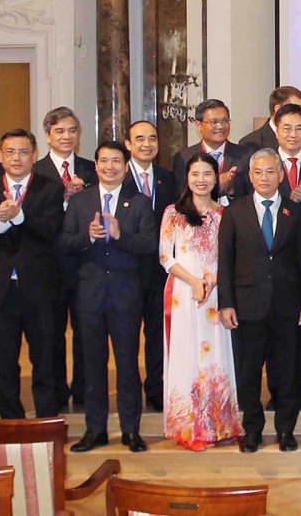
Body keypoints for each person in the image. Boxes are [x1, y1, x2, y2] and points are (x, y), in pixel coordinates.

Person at [218, 149, 301, 453]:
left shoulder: (295, 211)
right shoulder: (235, 212)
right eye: (258, 172)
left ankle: (286, 430)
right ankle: (252, 430)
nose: (264, 178)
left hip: (287, 305)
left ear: (281, 174)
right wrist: (226, 303)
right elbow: (225, 260)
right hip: (247, 305)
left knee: (286, 372)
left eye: (271, 171)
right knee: (248, 372)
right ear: (250, 175)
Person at [61, 141, 156, 453]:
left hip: (126, 294)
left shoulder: (139, 202)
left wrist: (120, 235)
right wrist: (88, 236)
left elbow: (148, 246)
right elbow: (65, 242)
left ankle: (131, 430)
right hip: (89, 294)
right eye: (104, 161)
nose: (110, 167)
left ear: (126, 165)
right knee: (92, 364)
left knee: (128, 363)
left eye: (117, 161)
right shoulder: (80, 201)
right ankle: (95, 430)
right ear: (96, 165)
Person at [0, 129, 65, 420]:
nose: (16, 158)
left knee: (44, 358)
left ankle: (47, 421)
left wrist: (19, 217)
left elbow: (51, 231)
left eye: (23, 152)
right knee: (2, 359)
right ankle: (10, 421)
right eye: (10, 152)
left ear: (34, 156)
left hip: (39, 288)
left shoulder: (49, 188)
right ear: (0, 156)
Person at [159, 153, 240, 450]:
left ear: (216, 178)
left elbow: (229, 256)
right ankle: (188, 426)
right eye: (196, 174)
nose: (202, 179)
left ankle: (218, 424)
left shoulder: (225, 213)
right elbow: (166, 256)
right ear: (187, 178)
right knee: (185, 353)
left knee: (216, 354)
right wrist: (194, 282)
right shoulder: (173, 213)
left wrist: (211, 282)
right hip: (183, 292)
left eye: (208, 173)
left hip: (216, 293)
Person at [32, 106, 96, 411]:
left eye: (72, 130)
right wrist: (62, 198)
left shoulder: (91, 169)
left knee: (85, 331)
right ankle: (55, 393)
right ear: (47, 136)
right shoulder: (35, 172)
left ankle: (84, 392)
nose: (66, 136)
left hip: (85, 261)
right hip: (47, 264)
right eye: (59, 131)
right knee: (50, 332)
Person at [123, 120, 178, 413]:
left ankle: (156, 390)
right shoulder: (117, 176)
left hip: (160, 271)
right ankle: (129, 393)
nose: (147, 144)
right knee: (127, 335)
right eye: (140, 139)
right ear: (128, 145)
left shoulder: (167, 179)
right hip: (126, 268)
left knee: (158, 334)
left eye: (152, 138)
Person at [172, 99, 250, 205]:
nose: (220, 126)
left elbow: (250, 197)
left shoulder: (244, 156)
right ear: (199, 125)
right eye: (214, 122)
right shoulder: (184, 157)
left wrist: (231, 190)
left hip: (235, 218)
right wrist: (216, 184)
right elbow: (181, 198)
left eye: (225, 121)